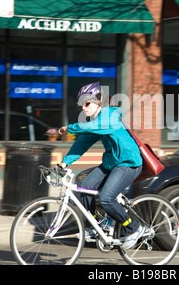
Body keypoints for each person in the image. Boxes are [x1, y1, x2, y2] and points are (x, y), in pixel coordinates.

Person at [57, 82, 144, 250]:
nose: (83, 107)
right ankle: (97, 225)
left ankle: (133, 227)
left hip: (128, 162)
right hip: (111, 162)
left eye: (87, 103)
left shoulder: (109, 116)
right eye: (81, 104)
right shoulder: (96, 120)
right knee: (86, 187)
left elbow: (92, 127)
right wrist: (64, 162)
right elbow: (82, 144)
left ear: (99, 101)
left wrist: (70, 128)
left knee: (106, 197)